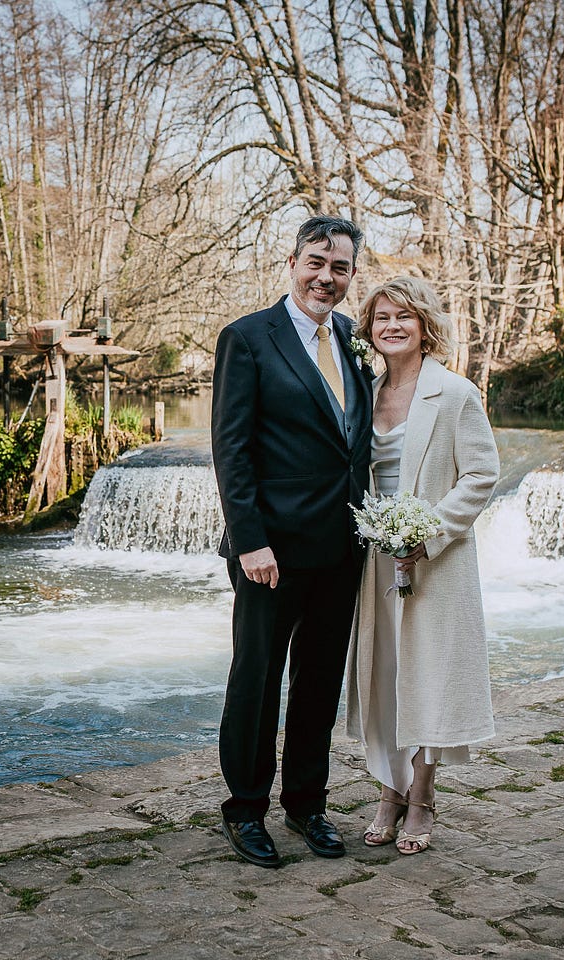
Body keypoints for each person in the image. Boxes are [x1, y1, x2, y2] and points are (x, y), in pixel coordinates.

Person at [210, 215, 372, 867]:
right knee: (257, 679)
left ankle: (307, 804)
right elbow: (232, 448)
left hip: (342, 546)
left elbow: (359, 442)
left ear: (351, 276)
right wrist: (250, 540)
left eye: (339, 268)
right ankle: (246, 809)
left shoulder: (358, 343)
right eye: (316, 262)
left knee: (318, 683)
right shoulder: (248, 338)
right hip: (269, 551)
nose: (325, 278)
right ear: (292, 262)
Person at [345, 276, 499, 855]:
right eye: (382, 316)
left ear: (424, 324)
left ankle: (422, 796)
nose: (392, 325)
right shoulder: (364, 391)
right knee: (384, 675)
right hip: (373, 561)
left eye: (404, 316)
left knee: (427, 676)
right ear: (370, 328)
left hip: (434, 560)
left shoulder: (454, 393)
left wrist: (424, 534)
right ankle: (388, 791)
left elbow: (481, 475)